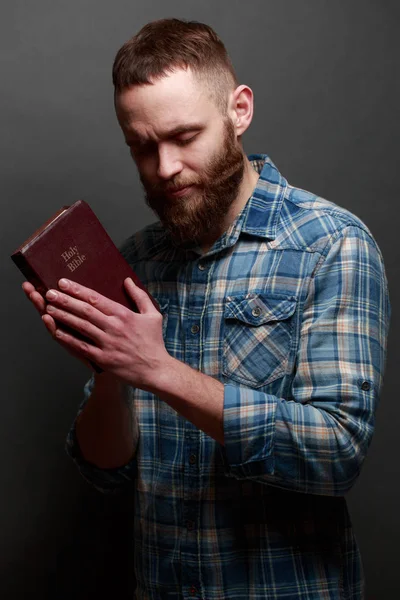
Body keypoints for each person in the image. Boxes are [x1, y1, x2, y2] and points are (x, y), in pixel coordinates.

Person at [23, 18, 390, 600]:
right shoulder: (134, 260)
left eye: (184, 136)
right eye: (142, 146)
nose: (164, 167)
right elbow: (106, 470)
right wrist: (113, 378)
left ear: (238, 111)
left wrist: (158, 371)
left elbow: (338, 452)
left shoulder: (332, 244)